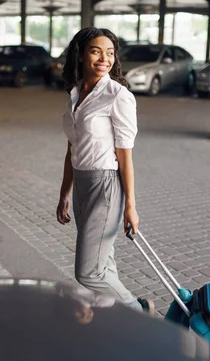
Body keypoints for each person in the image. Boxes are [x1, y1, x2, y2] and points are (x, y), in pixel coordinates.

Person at [56, 27, 154, 314]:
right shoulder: (74, 94)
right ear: (81, 54)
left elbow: (126, 156)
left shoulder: (117, 96)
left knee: (88, 272)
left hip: (107, 187)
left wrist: (130, 206)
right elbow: (71, 149)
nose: (104, 58)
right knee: (102, 261)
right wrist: (64, 194)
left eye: (110, 52)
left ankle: (138, 313)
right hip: (82, 186)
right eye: (96, 51)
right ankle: (116, 318)